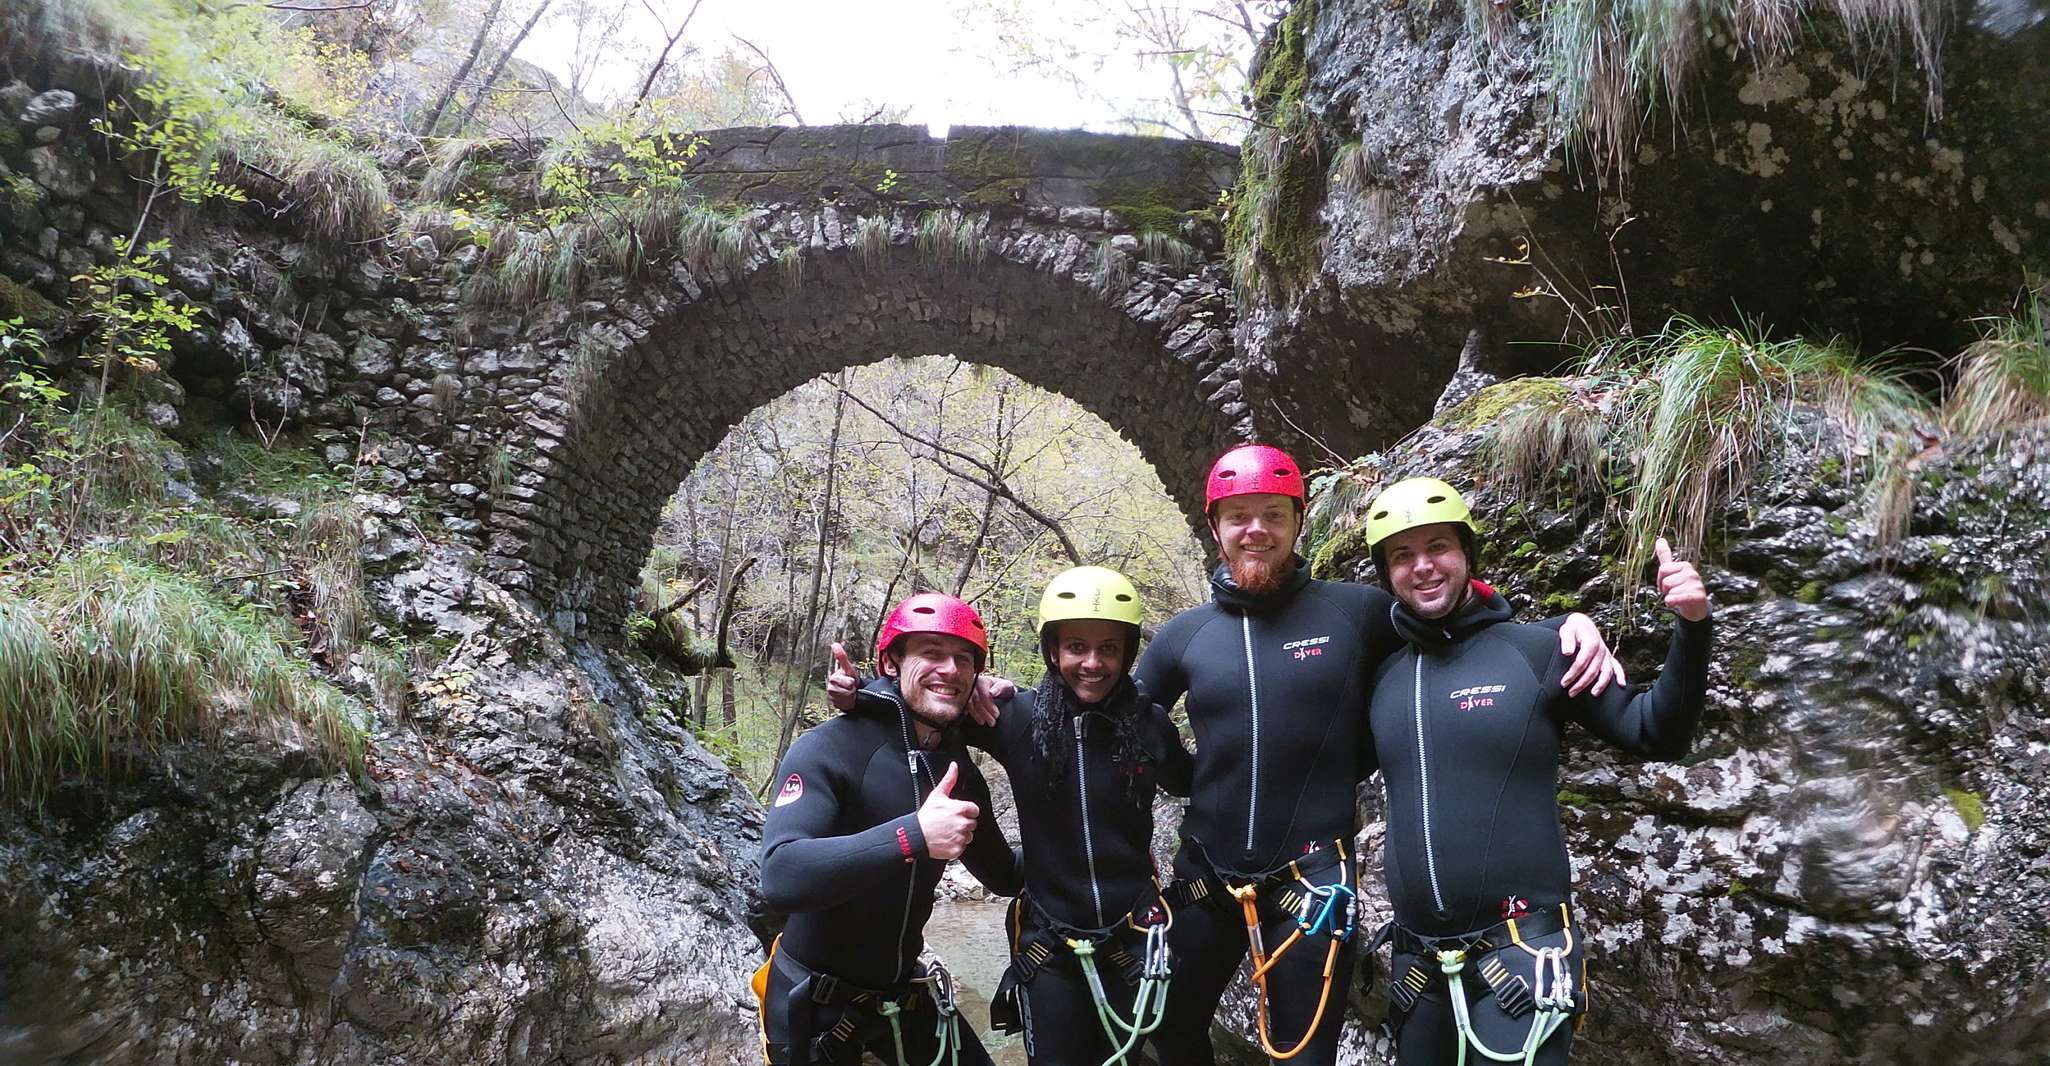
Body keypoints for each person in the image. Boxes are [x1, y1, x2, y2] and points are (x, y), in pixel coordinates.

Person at [1137, 444, 1624, 1066]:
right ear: (1216, 527)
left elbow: (1460, 625)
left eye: (1273, 514)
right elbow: (1111, 712)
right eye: (1239, 516)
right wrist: (998, 702)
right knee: (1167, 1031)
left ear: (1298, 521)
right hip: (1204, 875)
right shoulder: (1187, 634)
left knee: (1300, 1054)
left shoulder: (1355, 613)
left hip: (1309, 885)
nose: (1256, 528)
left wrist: (1570, 627)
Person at [1359, 477, 1711, 1066]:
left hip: (1524, 955)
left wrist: (1693, 626)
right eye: (1402, 554)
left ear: (1467, 554)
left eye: (1438, 547)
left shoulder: (1539, 651)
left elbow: (1656, 730)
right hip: (1417, 966)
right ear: (1386, 572)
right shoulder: (1383, 675)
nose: (1423, 566)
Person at [829, 567, 1196, 1065]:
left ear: (1128, 654)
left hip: (1135, 938)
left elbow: (1192, 782)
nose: (1093, 663)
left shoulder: (1149, 725)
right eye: (1076, 647)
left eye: (1109, 648)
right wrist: (862, 695)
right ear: (1052, 651)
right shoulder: (1014, 718)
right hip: (1051, 947)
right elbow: (928, 704)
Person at [756, 592, 1024, 1066]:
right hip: (816, 1006)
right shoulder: (829, 749)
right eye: (931, 653)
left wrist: (1099, 856)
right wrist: (914, 835)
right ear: (892, 661)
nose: (951, 670)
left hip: (903, 994)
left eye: (964, 659)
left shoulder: (956, 769)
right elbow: (781, 876)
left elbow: (1004, 875)